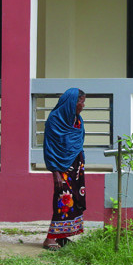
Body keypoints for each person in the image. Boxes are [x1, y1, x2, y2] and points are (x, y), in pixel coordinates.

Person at [42, 88, 87, 250]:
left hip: (76, 167)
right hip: (62, 168)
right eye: (81, 101)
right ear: (71, 102)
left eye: (83, 102)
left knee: (74, 200)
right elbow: (49, 147)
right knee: (63, 200)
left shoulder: (77, 120)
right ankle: (50, 239)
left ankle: (62, 236)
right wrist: (55, 172)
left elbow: (79, 142)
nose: (83, 105)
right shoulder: (54, 119)